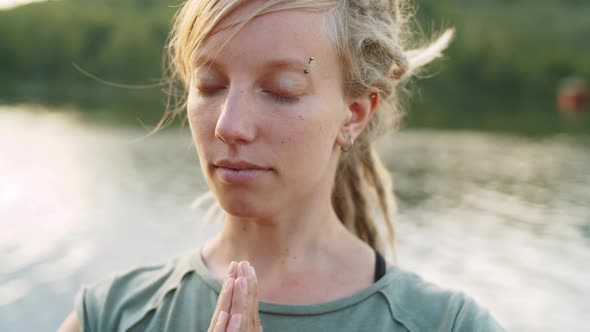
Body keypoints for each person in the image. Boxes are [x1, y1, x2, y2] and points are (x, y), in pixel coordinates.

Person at [59, 0, 505, 331]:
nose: (229, 126)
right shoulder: (110, 315)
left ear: (354, 114)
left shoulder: (448, 324)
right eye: (209, 85)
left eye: (281, 89)